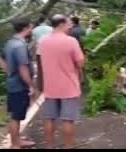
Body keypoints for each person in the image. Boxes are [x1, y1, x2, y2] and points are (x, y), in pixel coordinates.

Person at [38, 14, 85, 150]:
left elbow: (41, 61)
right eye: (68, 23)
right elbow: (80, 63)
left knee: (49, 118)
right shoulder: (71, 41)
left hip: (50, 86)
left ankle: (49, 146)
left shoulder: (43, 41)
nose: (70, 25)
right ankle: (68, 146)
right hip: (68, 86)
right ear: (61, 24)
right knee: (68, 119)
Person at [0, 17, 35, 149]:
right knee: (16, 116)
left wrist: (8, 71)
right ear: (25, 28)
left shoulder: (10, 42)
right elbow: (23, 67)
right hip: (19, 85)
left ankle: (17, 140)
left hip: (12, 83)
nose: (32, 30)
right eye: (31, 27)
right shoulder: (20, 45)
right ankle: (15, 144)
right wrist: (31, 85)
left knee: (16, 114)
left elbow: (0, 57)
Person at [30, 18, 53, 92]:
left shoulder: (34, 30)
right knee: (50, 69)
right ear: (45, 21)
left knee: (40, 70)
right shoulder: (51, 29)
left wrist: (33, 54)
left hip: (39, 52)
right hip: (50, 52)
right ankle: (51, 85)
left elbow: (34, 43)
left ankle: (41, 87)